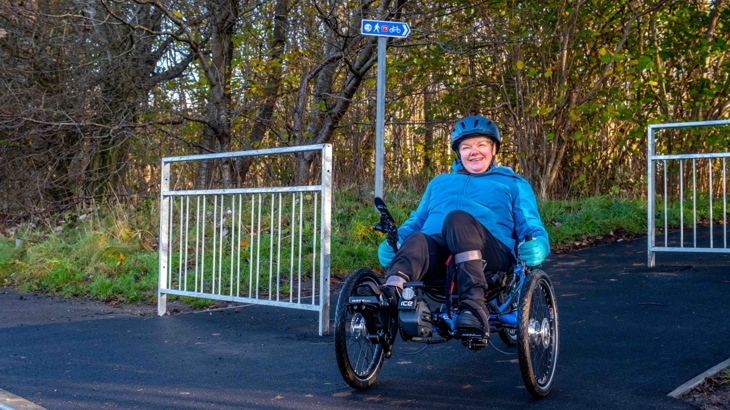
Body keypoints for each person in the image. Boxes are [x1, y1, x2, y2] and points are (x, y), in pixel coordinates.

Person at [358, 115, 550, 340]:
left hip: (489, 254)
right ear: (458, 152)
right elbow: (416, 222)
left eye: (481, 145)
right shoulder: (439, 183)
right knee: (418, 238)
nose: (474, 152)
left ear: (494, 149)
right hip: (440, 256)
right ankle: (387, 298)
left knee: (457, 219)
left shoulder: (513, 183)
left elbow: (530, 223)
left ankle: (474, 308)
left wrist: (540, 243)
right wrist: (396, 242)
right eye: (466, 147)